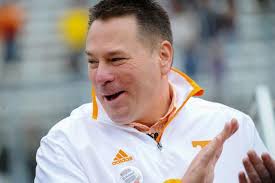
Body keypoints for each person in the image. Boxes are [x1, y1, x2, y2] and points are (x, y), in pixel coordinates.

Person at [34, 0, 275, 183]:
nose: (100, 76)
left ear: (163, 56)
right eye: (93, 62)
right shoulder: (64, 145)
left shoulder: (234, 127)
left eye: (116, 59)